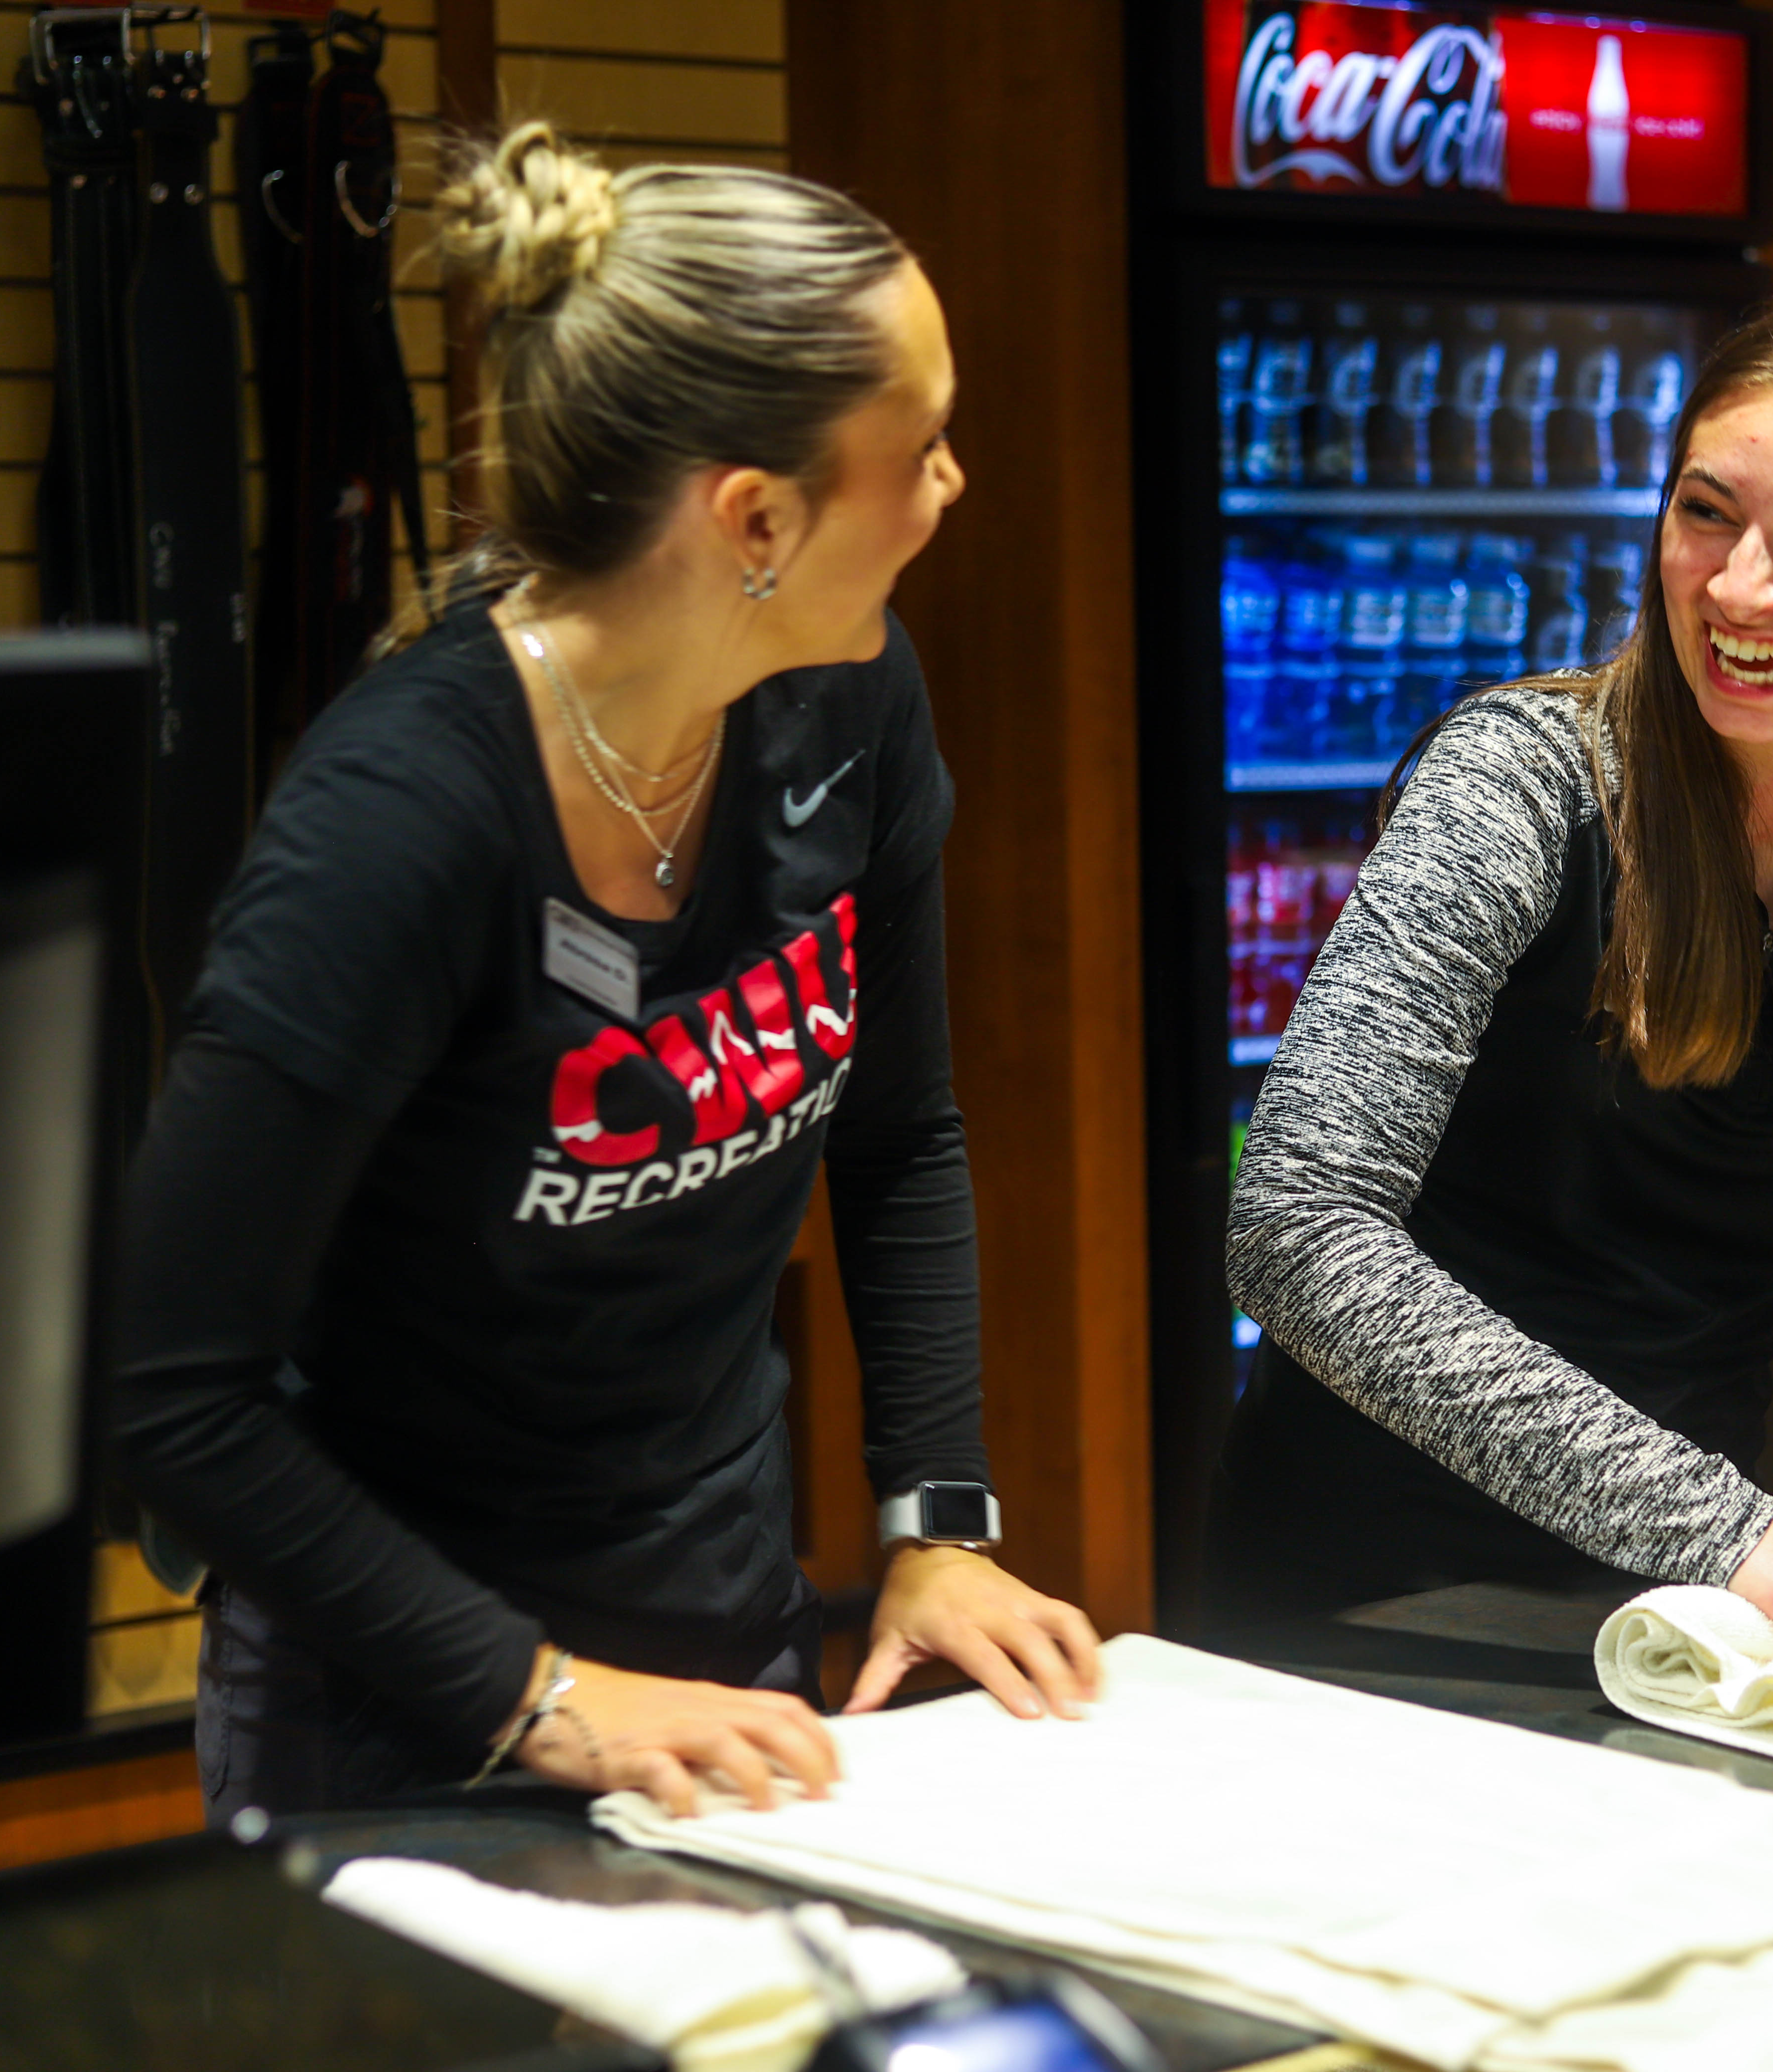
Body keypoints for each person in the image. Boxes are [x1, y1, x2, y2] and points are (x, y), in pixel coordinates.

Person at [112, 126, 1099, 1824]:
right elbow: (168, 1395)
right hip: (399, 1709)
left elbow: (900, 1135)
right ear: (757, 517)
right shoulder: (398, 820)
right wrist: (545, 1699)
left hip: (723, 1660)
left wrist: (936, 1523)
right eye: (922, 447)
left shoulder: (849, 702)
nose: (954, 487)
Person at [1208, 290, 1773, 1647]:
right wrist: (1727, 1525)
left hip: (1693, 1613)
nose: (1738, 587)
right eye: (1705, 513)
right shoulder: (1521, 784)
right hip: (1370, 1599)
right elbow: (1299, 1228)